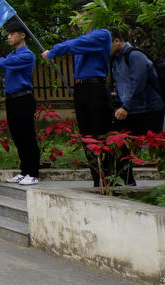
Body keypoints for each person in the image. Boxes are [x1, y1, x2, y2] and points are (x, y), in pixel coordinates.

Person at [44, 21, 114, 186]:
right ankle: (97, 179)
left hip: (96, 86)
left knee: (102, 132)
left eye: (81, 14)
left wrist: (53, 51)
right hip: (81, 87)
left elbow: (74, 44)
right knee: (87, 135)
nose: (77, 18)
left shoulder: (101, 34)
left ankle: (112, 178)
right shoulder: (83, 38)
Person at [0, 20, 40, 185]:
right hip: (12, 99)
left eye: (12, 34)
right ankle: (24, 171)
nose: (9, 37)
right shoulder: (12, 54)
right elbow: (8, 61)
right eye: (8, 34)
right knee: (18, 136)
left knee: (28, 135)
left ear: (22, 35)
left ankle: (33, 173)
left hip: (23, 98)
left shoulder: (26, 55)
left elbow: (7, 63)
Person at [109, 29, 165, 185]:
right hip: (131, 108)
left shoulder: (135, 56)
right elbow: (121, 82)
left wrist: (126, 106)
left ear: (117, 41)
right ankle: (126, 181)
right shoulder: (115, 59)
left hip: (149, 109)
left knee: (157, 146)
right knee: (120, 143)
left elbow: (138, 83)